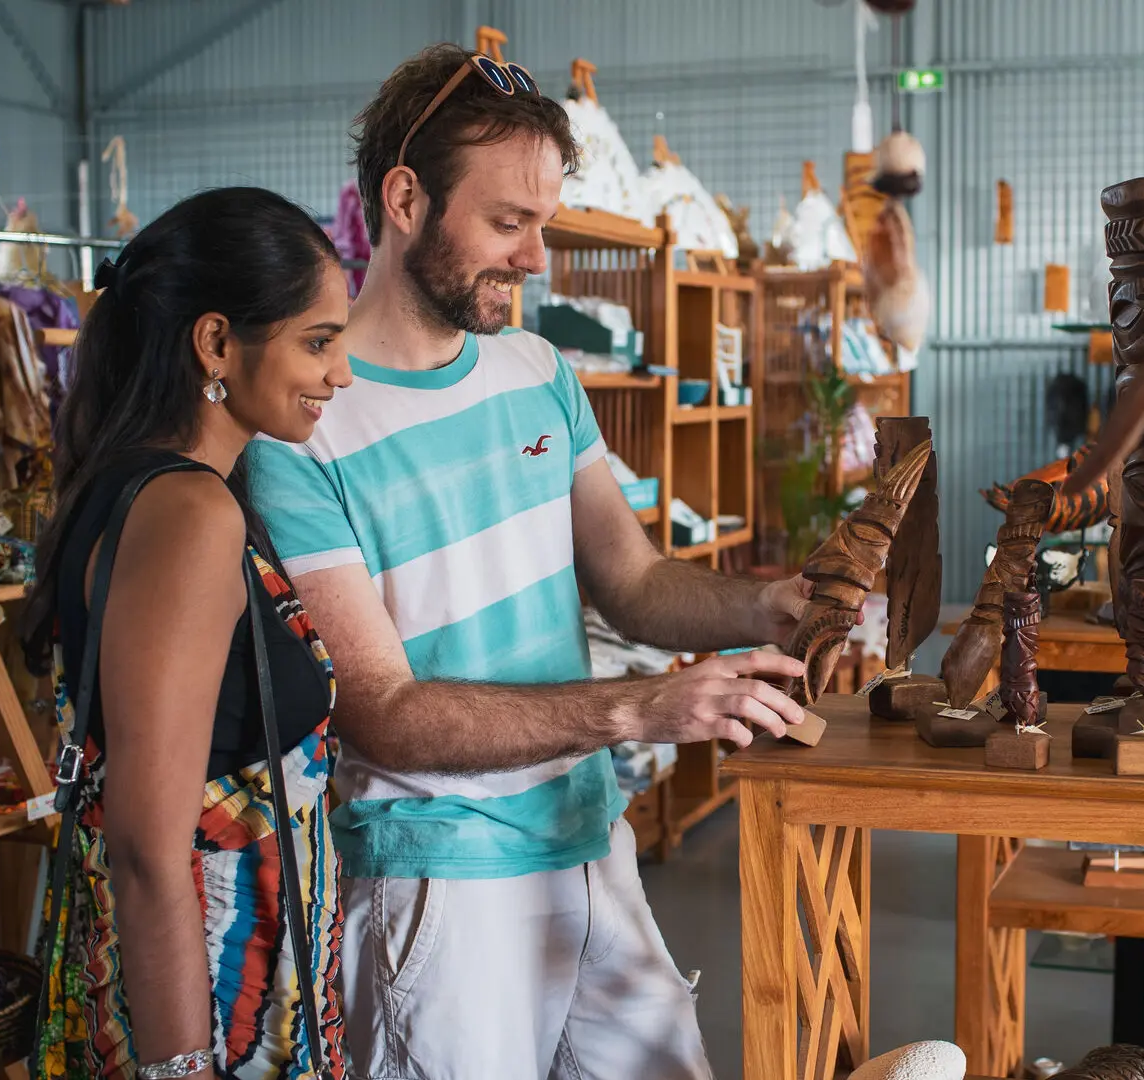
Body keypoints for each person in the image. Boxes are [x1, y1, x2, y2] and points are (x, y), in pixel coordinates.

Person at [243, 45, 812, 1079]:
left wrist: (769, 606)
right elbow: (380, 707)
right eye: (509, 224)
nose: (539, 258)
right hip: (436, 886)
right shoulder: (304, 430)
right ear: (405, 199)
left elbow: (633, 582)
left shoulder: (540, 369)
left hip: (589, 840)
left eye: (543, 222)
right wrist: (641, 711)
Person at [22, 186, 353, 1080]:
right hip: (205, 1001)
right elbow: (146, 844)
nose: (341, 373)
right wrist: (179, 1068)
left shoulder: (139, 487)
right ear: (215, 342)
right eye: (318, 342)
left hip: (230, 985)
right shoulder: (190, 513)